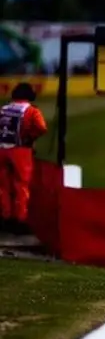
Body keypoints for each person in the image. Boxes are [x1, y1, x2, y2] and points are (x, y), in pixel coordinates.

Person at [0, 82, 48, 234]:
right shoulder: (31, 111)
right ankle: (20, 220)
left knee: (3, 185)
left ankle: (5, 217)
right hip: (21, 151)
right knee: (21, 185)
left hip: (1, 149)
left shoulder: (3, 109)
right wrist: (30, 137)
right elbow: (41, 128)